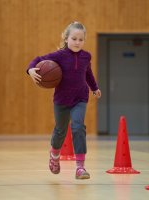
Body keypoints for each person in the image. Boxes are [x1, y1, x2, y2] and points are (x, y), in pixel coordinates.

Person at [27, 21, 101, 179]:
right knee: (60, 131)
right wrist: (31, 69)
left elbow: (88, 74)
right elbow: (38, 58)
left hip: (80, 98)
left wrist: (94, 88)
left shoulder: (86, 56)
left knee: (78, 126)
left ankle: (80, 167)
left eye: (81, 39)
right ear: (66, 39)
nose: (77, 42)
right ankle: (54, 156)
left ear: (84, 41)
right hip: (61, 100)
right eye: (74, 39)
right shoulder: (59, 55)